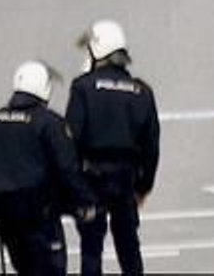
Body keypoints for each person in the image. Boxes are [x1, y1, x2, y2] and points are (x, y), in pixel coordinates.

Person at [0, 60, 94, 276]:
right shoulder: (49, 123)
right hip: (40, 218)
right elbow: (67, 169)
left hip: (6, 219)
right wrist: (84, 203)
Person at [67, 20, 160, 276]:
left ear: (97, 50)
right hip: (126, 179)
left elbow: (70, 140)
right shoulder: (142, 91)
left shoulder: (83, 87)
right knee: (129, 248)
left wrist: (73, 185)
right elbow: (151, 146)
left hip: (91, 179)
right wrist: (144, 186)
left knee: (91, 249)